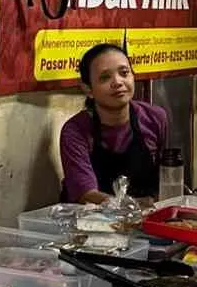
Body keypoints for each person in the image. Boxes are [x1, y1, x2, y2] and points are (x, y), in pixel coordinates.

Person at [59, 44, 167, 204]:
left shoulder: (155, 118)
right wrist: (131, 206)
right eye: (104, 77)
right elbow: (86, 194)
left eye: (124, 73)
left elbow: (165, 175)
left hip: (148, 219)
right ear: (88, 89)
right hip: (90, 222)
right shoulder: (75, 130)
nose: (117, 82)